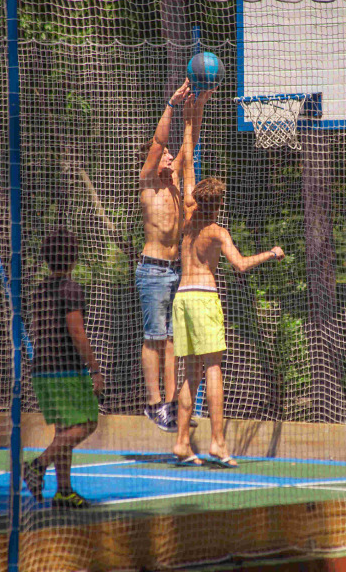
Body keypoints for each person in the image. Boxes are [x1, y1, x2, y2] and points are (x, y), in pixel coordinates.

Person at [172, 98, 285, 467]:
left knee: (189, 373)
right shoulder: (217, 232)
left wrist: (190, 120)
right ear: (218, 203)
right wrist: (270, 253)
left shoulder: (189, 215)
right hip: (203, 297)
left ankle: (181, 442)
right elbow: (238, 265)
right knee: (213, 370)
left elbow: (187, 161)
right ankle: (218, 443)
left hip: (181, 297)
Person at [136, 79, 214, 433]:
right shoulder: (149, 180)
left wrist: (200, 103)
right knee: (154, 337)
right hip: (152, 270)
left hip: (174, 271)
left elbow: (190, 140)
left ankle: (169, 404)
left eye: (170, 156)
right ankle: (153, 404)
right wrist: (171, 104)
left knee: (171, 341)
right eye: (165, 155)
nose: (170, 156)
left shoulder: (173, 182)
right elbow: (160, 142)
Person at [23, 229, 104, 509]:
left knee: (63, 430)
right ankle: (38, 465)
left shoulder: (40, 289)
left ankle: (64, 491)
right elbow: (77, 331)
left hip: (42, 370)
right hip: (65, 370)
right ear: (73, 257)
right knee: (87, 423)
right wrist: (94, 369)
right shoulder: (71, 288)